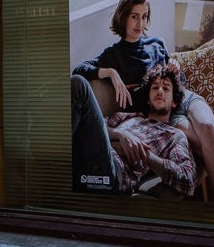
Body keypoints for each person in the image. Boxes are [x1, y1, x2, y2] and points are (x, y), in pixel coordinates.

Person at [71, 0, 214, 204]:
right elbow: (80, 70)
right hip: (167, 114)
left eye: (144, 16)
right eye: (134, 16)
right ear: (123, 18)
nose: (140, 23)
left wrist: (175, 68)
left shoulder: (156, 43)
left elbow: (177, 77)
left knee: (208, 128)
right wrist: (110, 72)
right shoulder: (113, 54)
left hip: (182, 97)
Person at [71, 63, 197, 197]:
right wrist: (119, 134)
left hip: (112, 174)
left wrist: (144, 155)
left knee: (79, 84)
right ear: (148, 99)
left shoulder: (174, 135)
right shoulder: (126, 117)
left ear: (174, 102)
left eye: (166, 88)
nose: (160, 90)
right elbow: (94, 127)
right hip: (85, 157)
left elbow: (188, 181)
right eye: (155, 87)